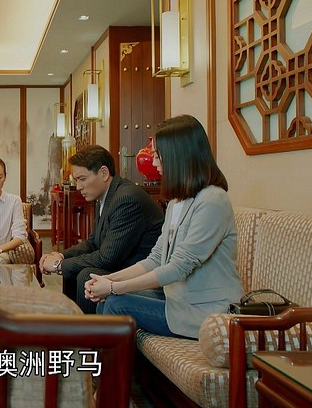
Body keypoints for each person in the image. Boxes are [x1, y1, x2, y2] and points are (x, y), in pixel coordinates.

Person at [85, 115, 243, 339]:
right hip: (177, 299)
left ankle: (108, 363)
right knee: (108, 299)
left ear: (178, 156)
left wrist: (113, 287)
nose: (154, 163)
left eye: (158, 155)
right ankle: (112, 362)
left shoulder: (213, 200)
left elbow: (179, 267)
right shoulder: (177, 201)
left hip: (206, 311)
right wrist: (111, 279)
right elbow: (157, 258)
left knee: (115, 302)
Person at [39, 145, 164, 314]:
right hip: (121, 262)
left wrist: (59, 265)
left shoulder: (126, 199)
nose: (78, 186)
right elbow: (93, 242)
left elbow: (107, 258)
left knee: (87, 275)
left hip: (141, 274)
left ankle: (92, 329)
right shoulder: (106, 195)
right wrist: (62, 256)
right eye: (76, 180)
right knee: (73, 271)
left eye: (82, 179)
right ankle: (73, 324)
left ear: (104, 173)